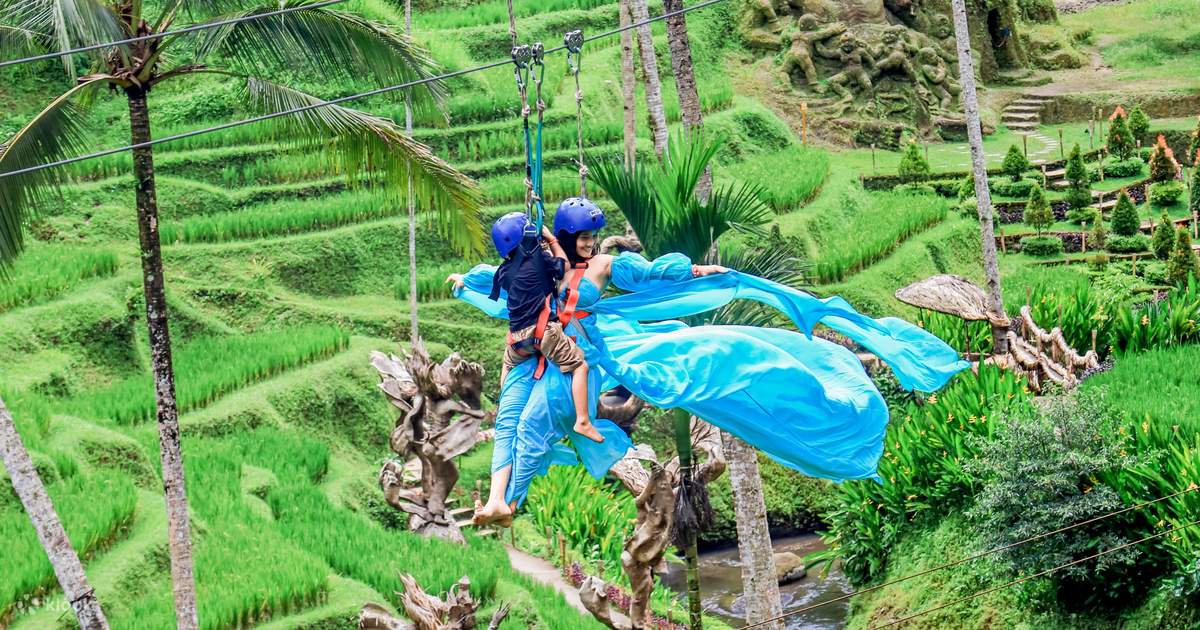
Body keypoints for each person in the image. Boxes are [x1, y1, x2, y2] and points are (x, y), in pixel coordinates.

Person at [451, 200, 970, 523]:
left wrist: (699, 271)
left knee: (726, 353)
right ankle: (505, 502)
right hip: (557, 355)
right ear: (564, 239)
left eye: (591, 235)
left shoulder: (605, 266)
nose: (588, 243)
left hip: (598, 349)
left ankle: (508, 501)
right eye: (581, 236)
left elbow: (655, 274)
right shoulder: (547, 265)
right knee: (516, 424)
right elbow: (505, 278)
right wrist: (466, 282)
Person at [485, 211, 604, 445]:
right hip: (543, 333)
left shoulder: (503, 272)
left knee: (508, 365)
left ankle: (505, 405)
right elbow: (564, 265)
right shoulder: (539, 260)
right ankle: (583, 421)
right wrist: (550, 239)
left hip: (516, 341)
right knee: (580, 366)